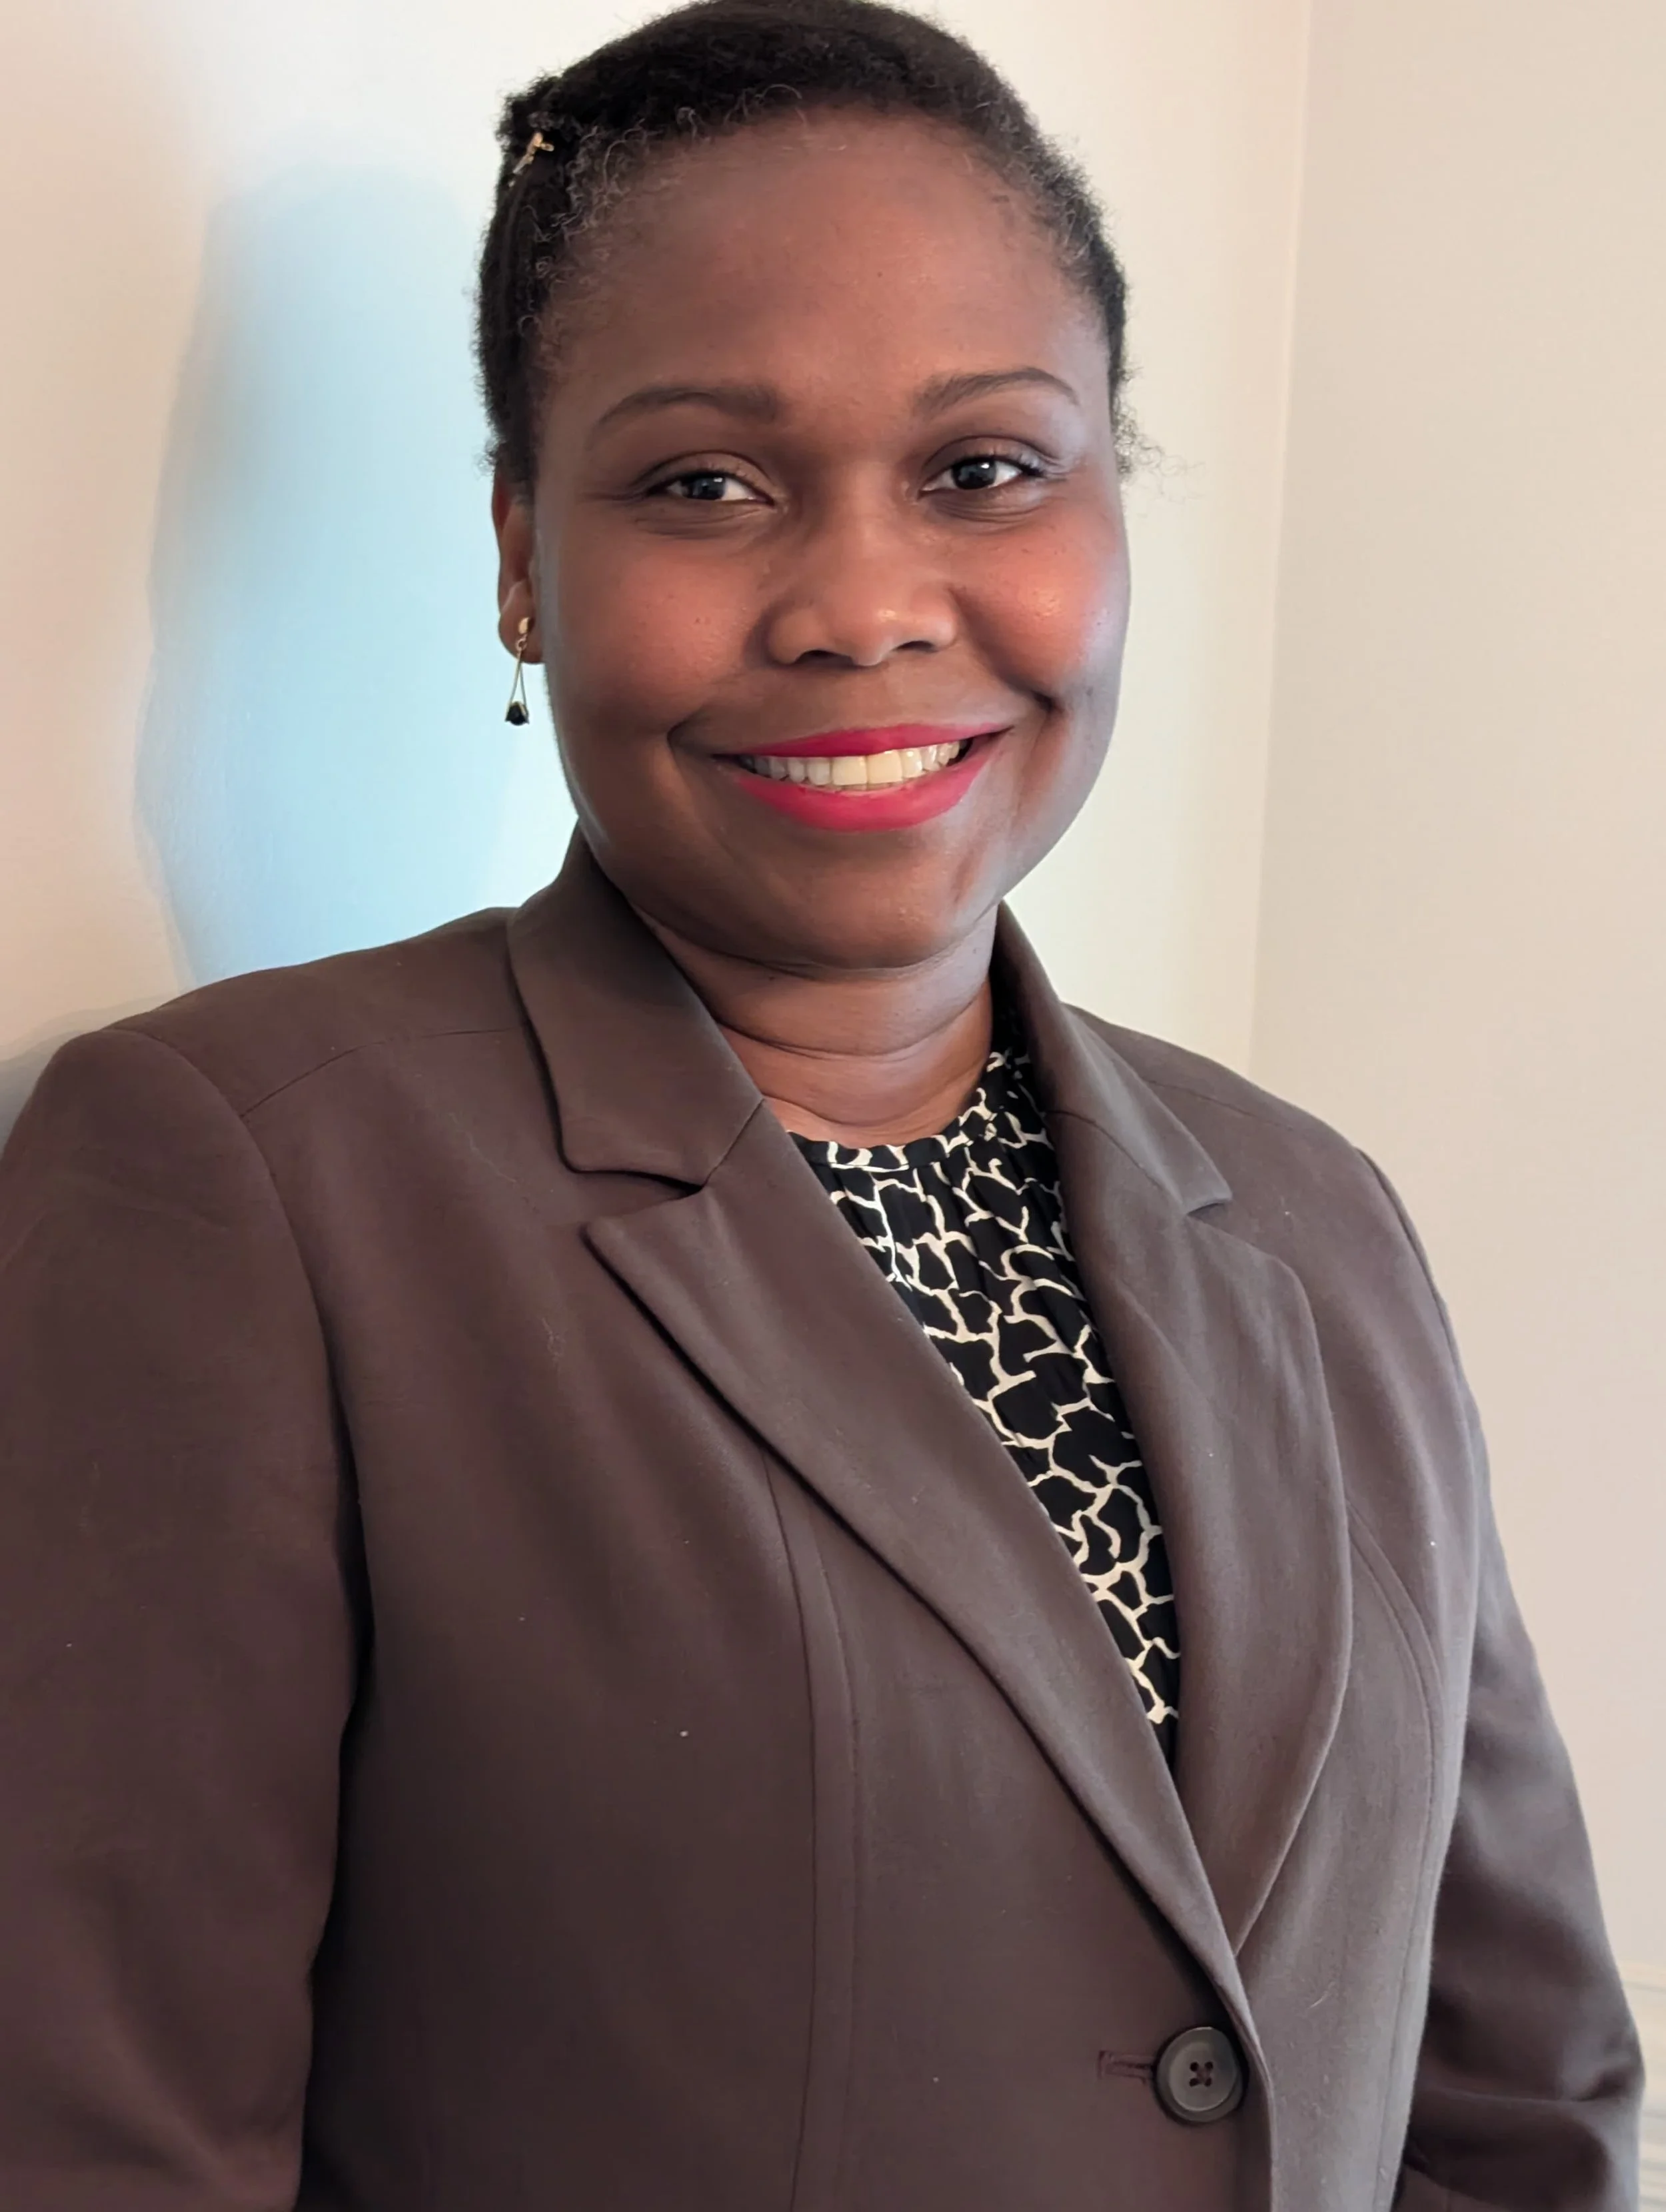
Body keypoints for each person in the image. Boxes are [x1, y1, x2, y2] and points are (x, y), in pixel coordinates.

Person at [0, 2, 1641, 2205]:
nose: (866, 605)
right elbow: (98, 2148)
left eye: (983, 469)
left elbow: (1517, 2110)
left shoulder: (1314, 1219)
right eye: (703, 482)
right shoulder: (243, 1184)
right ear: (518, 549)